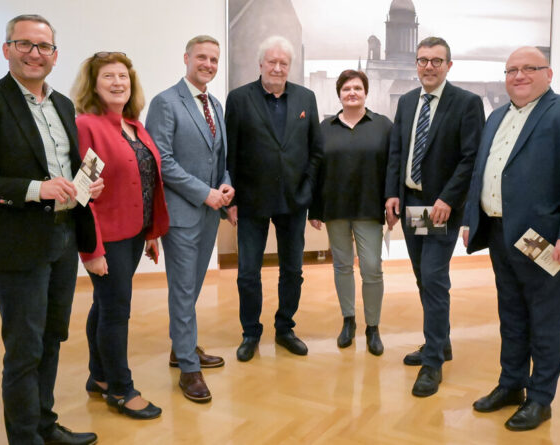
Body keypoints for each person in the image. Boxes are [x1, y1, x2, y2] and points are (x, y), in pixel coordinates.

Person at [0, 14, 100, 445]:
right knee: (25, 349)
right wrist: (35, 189)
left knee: (52, 338)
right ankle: (25, 439)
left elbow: (65, 173)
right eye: (25, 44)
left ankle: (44, 426)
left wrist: (86, 186)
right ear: (6, 49)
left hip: (64, 236)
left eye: (44, 47)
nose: (35, 54)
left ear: (55, 55)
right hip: (17, 245)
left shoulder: (63, 105)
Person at [462, 46, 560, 431]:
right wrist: (472, 218)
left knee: (545, 318)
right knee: (511, 314)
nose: (518, 76)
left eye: (528, 69)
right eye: (511, 71)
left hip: (541, 239)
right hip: (500, 233)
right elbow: (484, 173)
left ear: (548, 74)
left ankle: (541, 398)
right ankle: (511, 385)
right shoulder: (496, 117)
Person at [384, 36, 484, 397]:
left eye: (436, 61)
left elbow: (470, 158)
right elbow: (397, 149)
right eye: (423, 60)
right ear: (416, 64)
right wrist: (392, 193)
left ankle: (433, 363)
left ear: (449, 66)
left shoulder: (466, 103)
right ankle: (439, 343)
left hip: (441, 206)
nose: (429, 66)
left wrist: (448, 198)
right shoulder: (409, 101)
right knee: (422, 278)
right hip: (412, 204)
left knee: (433, 276)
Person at [71, 52, 169, 419]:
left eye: (123, 77)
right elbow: (83, 193)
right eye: (108, 77)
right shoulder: (88, 126)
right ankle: (121, 390)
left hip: (132, 233)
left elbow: (144, 182)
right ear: (93, 85)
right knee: (116, 312)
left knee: (105, 306)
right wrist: (91, 250)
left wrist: (150, 232)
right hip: (106, 238)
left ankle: (99, 377)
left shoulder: (134, 126)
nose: (117, 83)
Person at [145, 35, 232, 403]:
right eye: (202, 57)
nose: (208, 64)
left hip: (210, 212)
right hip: (182, 214)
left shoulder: (215, 103)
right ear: (186, 58)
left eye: (214, 59)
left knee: (192, 286)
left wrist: (225, 186)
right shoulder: (165, 102)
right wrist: (205, 192)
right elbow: (161, 160)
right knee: (182, 288)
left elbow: (221, 155)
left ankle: (182, 346)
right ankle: (188, 369)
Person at [225, 35, 324, 361]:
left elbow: (315, 151)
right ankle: (251, 332)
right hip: (251, 201)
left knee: (292, 270)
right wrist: (231, 201)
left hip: (294, 201)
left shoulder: (306, 98)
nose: (278, 68)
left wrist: (308, 190)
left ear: (289, 66)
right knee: (248, 272)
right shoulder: (239, 99)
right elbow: (231, 153)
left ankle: (285, 328)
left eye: (284, 63)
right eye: (272, 62)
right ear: (261, 64)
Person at [308, 70, 392, 356]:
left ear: (365, 92)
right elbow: (316, 171)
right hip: (336, 209)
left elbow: (392, 168)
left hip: (369, 208)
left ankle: (373, 327)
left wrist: (392, 202)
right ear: (339, 94)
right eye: (346, 88)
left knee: (372, 268)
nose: (352, 92)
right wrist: (315, 208)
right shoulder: (325, 127)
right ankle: (348, 321)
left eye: (357, 87)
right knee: (342, 266)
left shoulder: (382, 126)